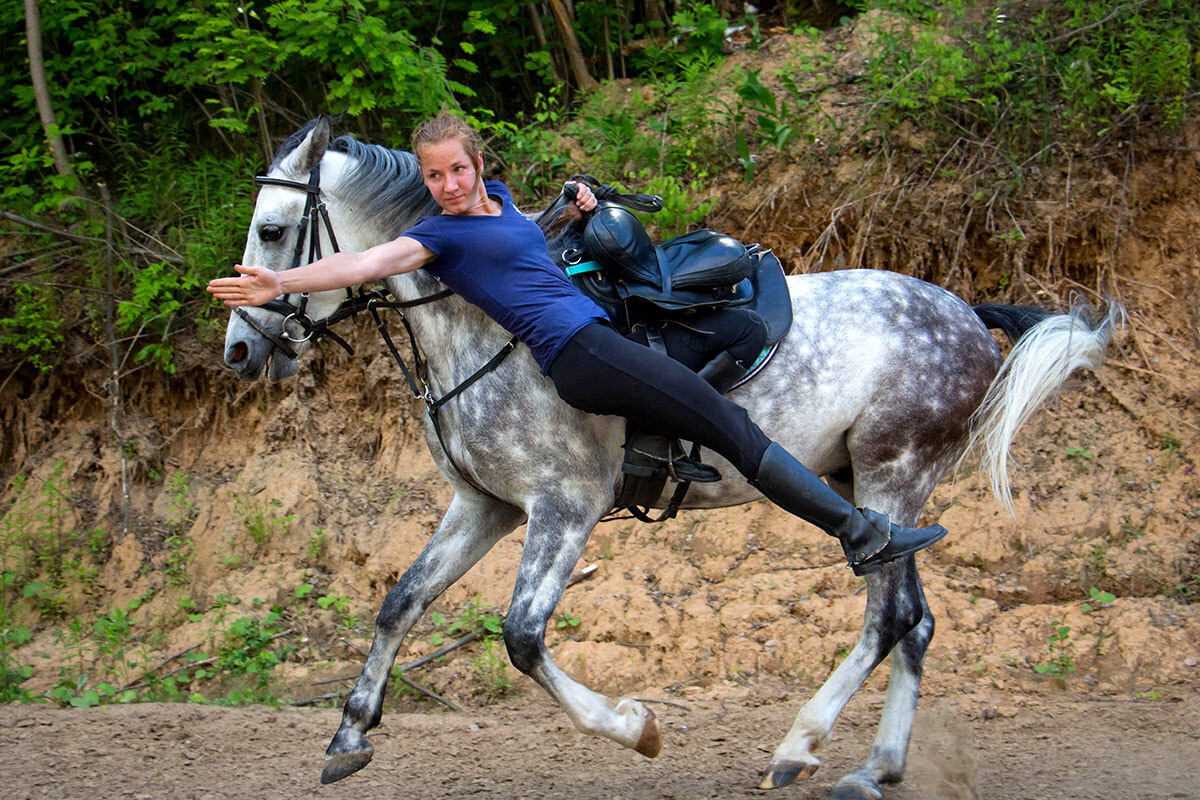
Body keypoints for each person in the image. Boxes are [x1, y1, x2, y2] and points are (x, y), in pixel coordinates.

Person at [207, 113, 946, 574]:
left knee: (728, 423)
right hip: (580, 359)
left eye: (457, 169)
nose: (448, 184)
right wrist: (281, 283)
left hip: (592, 342)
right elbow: (364, 264)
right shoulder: (431, 236)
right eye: (434, 175)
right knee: (730, 425)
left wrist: (574, 206)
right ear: (425, 182)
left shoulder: (498, 211)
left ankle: (857, 534)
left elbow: (531, 241)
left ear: (476, 165)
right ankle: (859, 536)